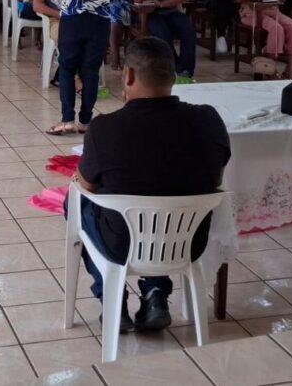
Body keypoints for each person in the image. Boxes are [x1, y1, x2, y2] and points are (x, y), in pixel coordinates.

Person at [69, 37, 230, 332]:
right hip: (188, 241)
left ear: (128, 75)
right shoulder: (208, 120)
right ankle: (156, 293)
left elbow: (88, 186)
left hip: (122, 245)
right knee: (165, 192)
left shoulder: (105, 128)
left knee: (75, 200)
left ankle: (111, 300)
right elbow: (214, 179)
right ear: (172, 76)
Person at [45, 0, 117, 136]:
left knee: (67, 68)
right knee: (91, 70)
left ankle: (67, 120)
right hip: (100, 19)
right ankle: (85, 121)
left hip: (73, 18)